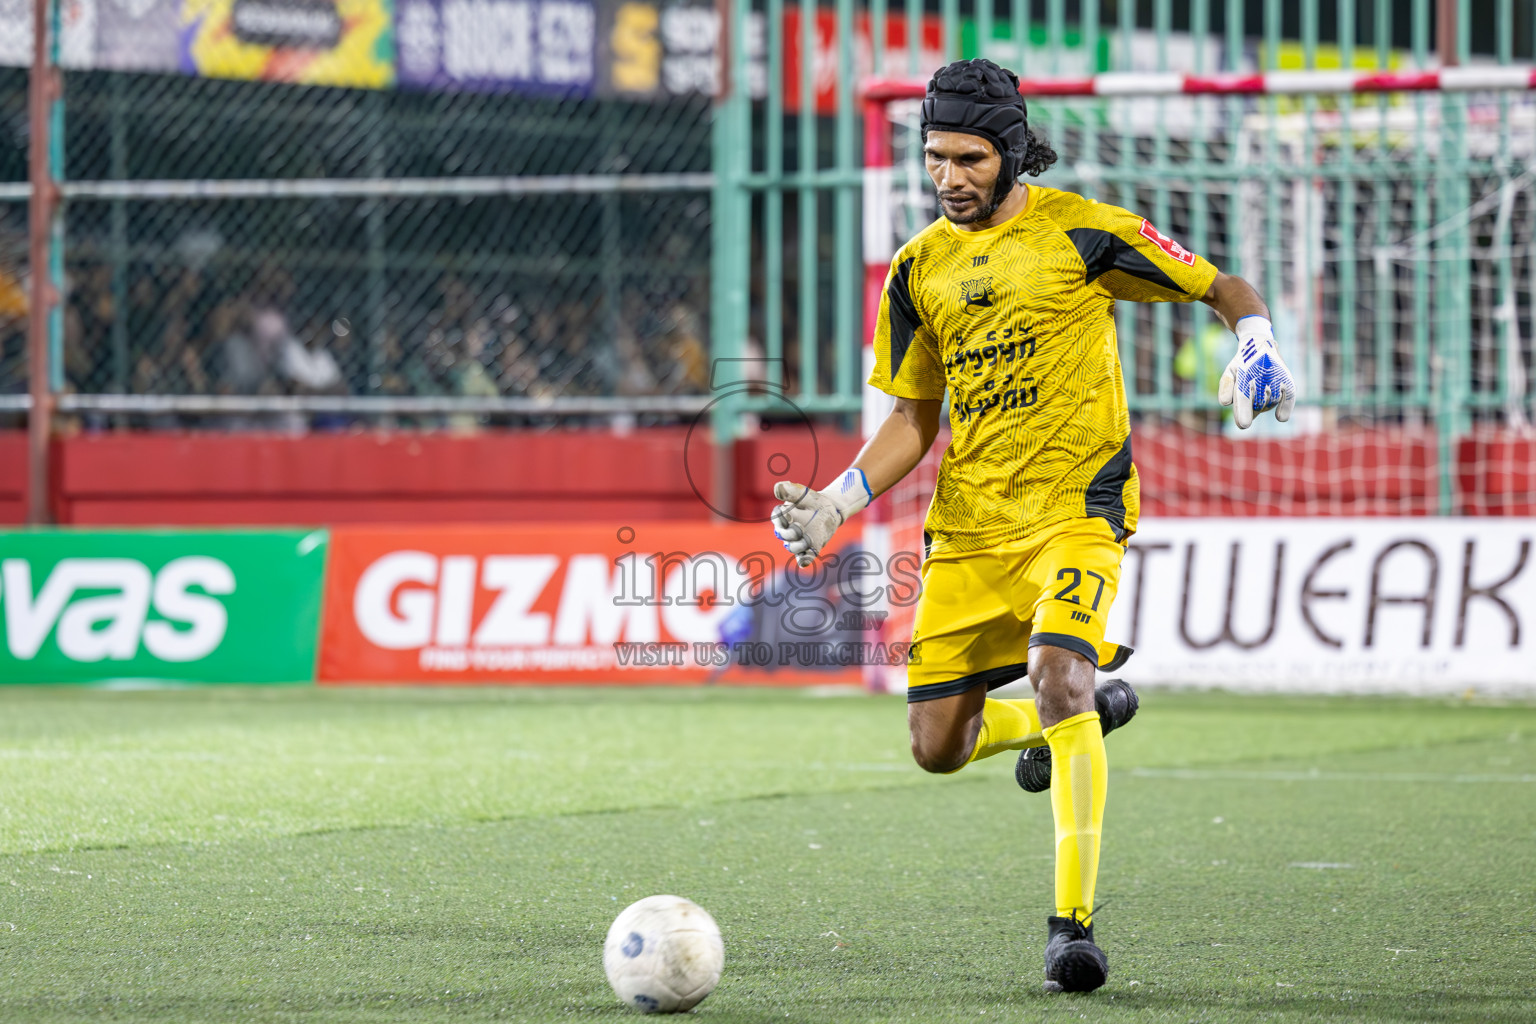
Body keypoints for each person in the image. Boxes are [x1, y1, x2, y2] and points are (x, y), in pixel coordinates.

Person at [770, 59, 1295, 995]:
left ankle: (1071, 929)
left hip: (1076, 510)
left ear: (1012, 153)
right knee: (937, 747)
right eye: (935, 157)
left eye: (968, 159)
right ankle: (1079, 719)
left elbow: (1223, 285)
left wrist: (1256, 340)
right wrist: (838, 501)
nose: (948, 177)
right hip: (970, 528)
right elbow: (912, 419)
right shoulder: (917, 269)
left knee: (1060, 673)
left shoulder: (1085, 233)